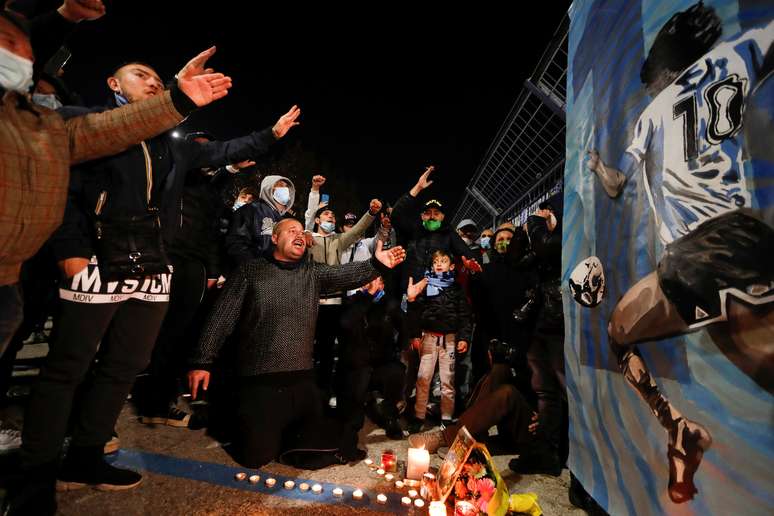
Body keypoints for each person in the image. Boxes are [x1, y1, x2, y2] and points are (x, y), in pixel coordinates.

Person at [586, 3, 773, 502]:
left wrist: (598, 167)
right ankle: (679, 429)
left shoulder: (653, 110)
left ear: (665, 71)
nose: (650, 90)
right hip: (741, 239)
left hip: (695, 256)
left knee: (622, 335)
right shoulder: (737, 55)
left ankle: (680, 431)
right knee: (621, 328)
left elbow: (616, 183)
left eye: (652, 82)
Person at [0, 11, 229, 359]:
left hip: (9, 278)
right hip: (86, 258)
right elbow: (75, 191)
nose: (18, 55)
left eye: (25, 51)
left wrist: (178, 101)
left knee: (119, 359)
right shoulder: (66, 116)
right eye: (6, 43)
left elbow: (108, 131)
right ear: (113, 84)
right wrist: (69, 247)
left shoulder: (45, 126)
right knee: (68, 361)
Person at [187, 219, 406, 468]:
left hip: (302, 378)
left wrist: (376, 265)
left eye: (302, 231)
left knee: (325, 444)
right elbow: (221, 317)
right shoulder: (250, 272)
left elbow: (345, 274)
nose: (299, 234)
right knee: (256, 457)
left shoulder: (311, 273)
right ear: (274, 238)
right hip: (260, 378)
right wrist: (201, 360)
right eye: (291, 230)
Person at [406, 249, 473, 430]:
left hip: (450, 339)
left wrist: (464, 338)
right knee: (423, 378)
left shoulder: (457, 289)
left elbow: (465, 316)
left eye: (443, 261)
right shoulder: (425, 286)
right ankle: (419, 416)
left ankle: (446, 417)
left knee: (448, 380)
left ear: (451, 266)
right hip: (428, 337)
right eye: (435, 261)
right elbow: (415, 313)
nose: (438, 264)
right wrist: (411, 301)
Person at [337, 276, 406, 439]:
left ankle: (390, 417)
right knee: (356, 388)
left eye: (378, 281)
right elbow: (346, 323)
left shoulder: (389, 304)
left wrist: (396, 349)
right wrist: (367, 297)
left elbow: (404, 327)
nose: (374, 285)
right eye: (370, 282)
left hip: (382, 361)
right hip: (358, 364)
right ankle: (350, 429)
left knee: (396, 373)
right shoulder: (354, 301)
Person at [226, 171, 300, 264]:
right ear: (269, 188)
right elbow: (237, 244)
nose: (285, 189)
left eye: (286, 187)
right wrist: (253, 269)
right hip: (255, 273)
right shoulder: (250, 210)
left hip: (277, 274)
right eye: (280, 185)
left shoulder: (285, 220)